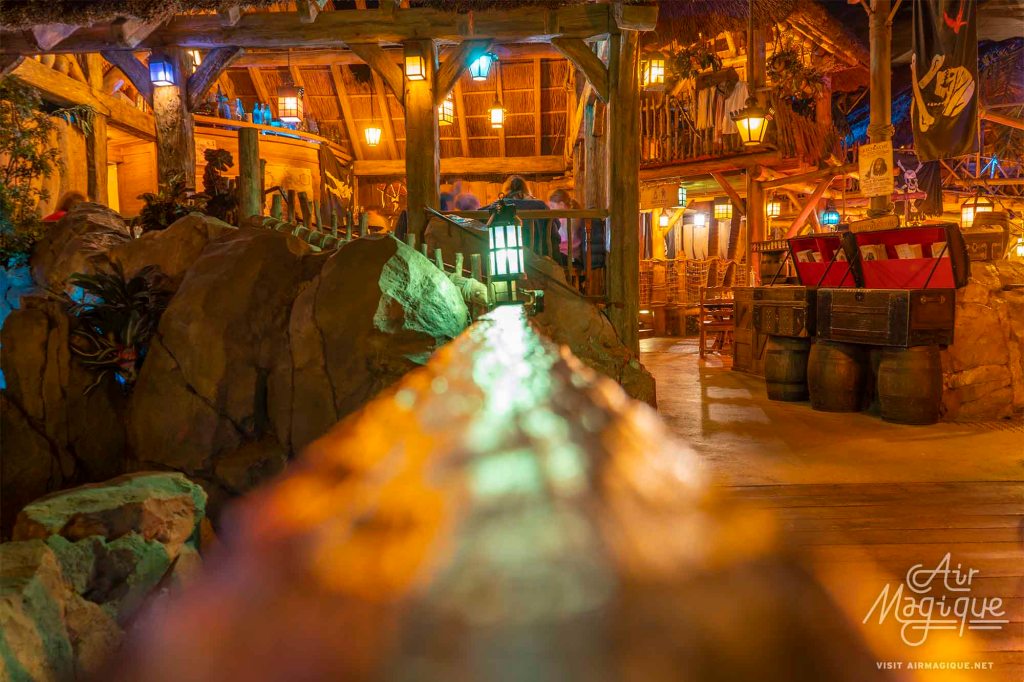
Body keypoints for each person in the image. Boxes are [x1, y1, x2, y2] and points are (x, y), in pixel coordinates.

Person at [488, 175, 555, 256]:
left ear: (506, 190)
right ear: (526, 189)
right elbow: (554, 228)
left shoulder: (498, 206)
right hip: (538, 254)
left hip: (505, 253)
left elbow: (481, 218)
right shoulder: (541, 206)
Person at [548, 188, 583, 266]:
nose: (550, 209)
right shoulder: (564, 218)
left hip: (572, 258)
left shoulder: (572, 218)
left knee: (547, 257)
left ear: (561, 204)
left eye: (552, 206)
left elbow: (565, 239)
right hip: (565, 255)